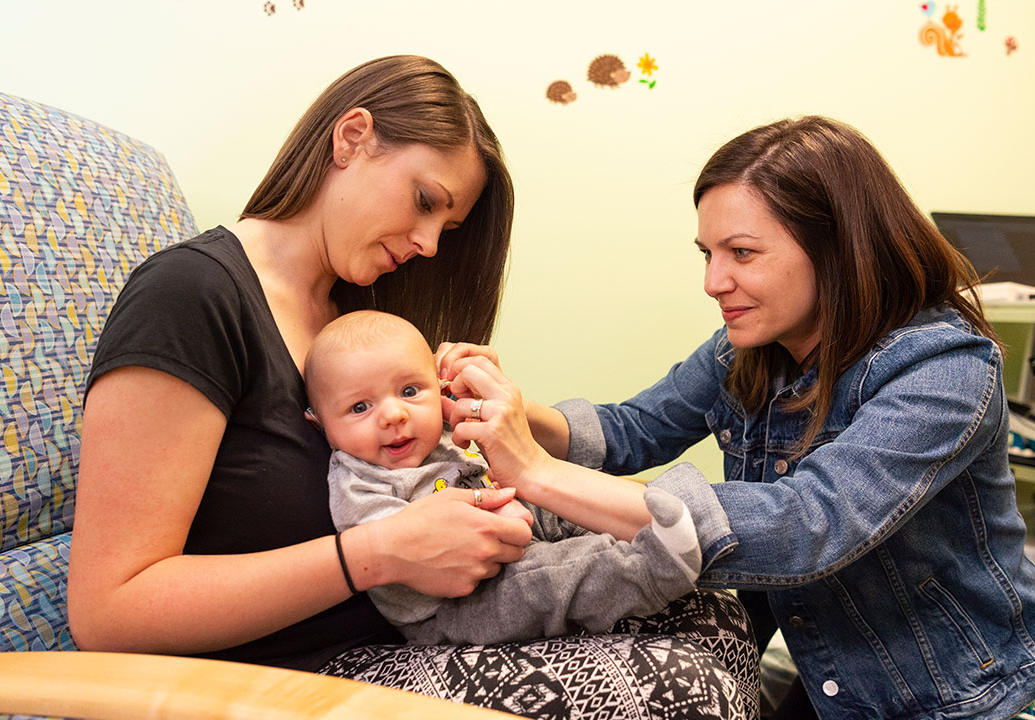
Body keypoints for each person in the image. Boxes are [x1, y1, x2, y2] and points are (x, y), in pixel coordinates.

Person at [67, 54, 758, 719]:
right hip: (277, 679)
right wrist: (381, 553)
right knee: (683, 687)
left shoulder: (350, 317)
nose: (429, 244)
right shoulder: (191, 295)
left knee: (715, 614)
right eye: (425, 202)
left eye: (446, 227)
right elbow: (109, 610)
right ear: (352, 137)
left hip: (392, 638)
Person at [435, 116, 1035, 720]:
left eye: (741, 253)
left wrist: (535, 471)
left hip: (976, 695)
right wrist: (512, 409)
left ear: (837, 250)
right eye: (707, 253)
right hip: (837, 675)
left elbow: (808, 525)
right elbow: (633, 429)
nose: (713, 281)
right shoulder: (745, 350)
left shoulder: (944, 367)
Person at [304, 309, 708, 646]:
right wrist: (498, 521)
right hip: (458, 603)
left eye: (410, 391)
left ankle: (644, 526)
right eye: (360, 406)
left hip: (508, 531)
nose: (394, 415)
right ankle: (652, 569)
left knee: (564, 504)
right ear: (320, 424)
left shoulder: (440, 433)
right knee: (551, 578)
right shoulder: (357, 478)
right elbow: (398, 545)